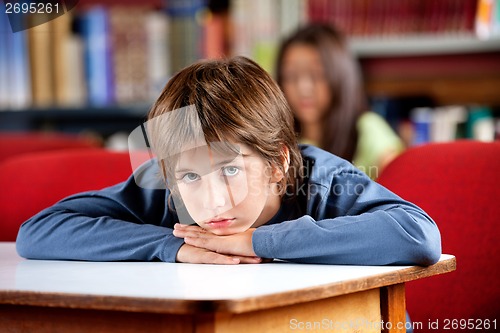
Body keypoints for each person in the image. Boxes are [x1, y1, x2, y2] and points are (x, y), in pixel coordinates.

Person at [16, 56, 441, 266]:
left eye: (231, 169)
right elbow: (38, 233)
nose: (213, 201)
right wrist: (171, 247)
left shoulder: (321, 179)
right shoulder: (168, 189)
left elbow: (417, 235)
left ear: (277, 163)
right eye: (189, 176)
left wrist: (255, 241)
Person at [276, 23, 404, 179]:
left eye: (317, 75)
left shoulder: (368, 131)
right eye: (290, 76)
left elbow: (398, 192)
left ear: (341, 76)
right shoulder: (279, 141)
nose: (303, 88)